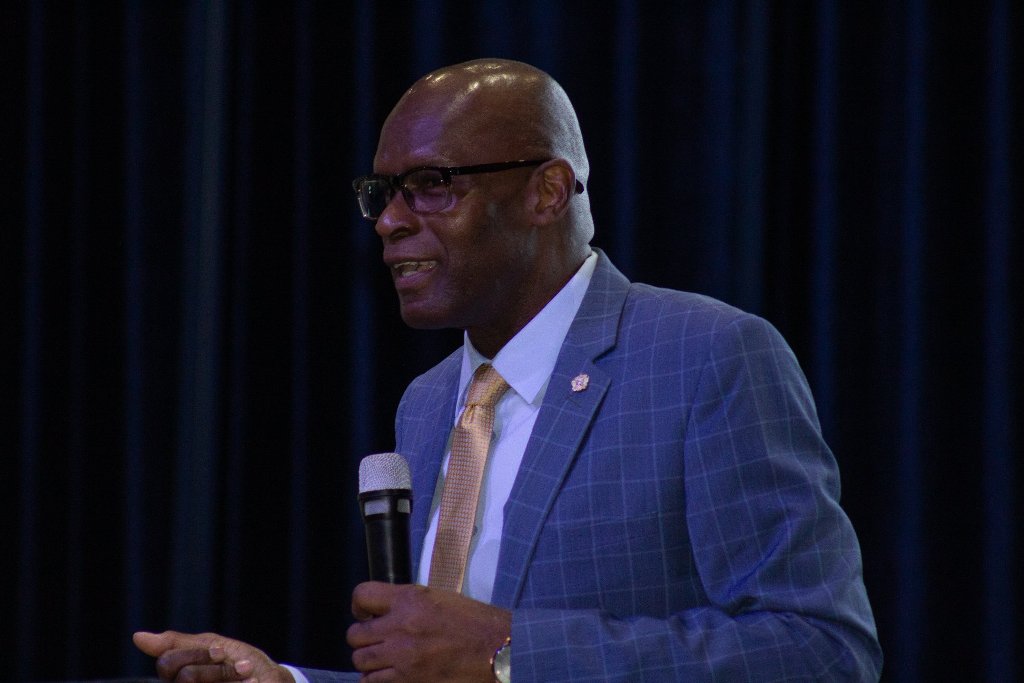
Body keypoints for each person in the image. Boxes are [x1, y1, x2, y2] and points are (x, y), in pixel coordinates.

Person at [134, 58, 882, 682]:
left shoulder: (706, 357)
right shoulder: (429, 402)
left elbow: (821, 649)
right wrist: (285, 680)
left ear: (546, 192)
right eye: (381, 194)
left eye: (432, 185)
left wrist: (510, 654)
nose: (390, 221)